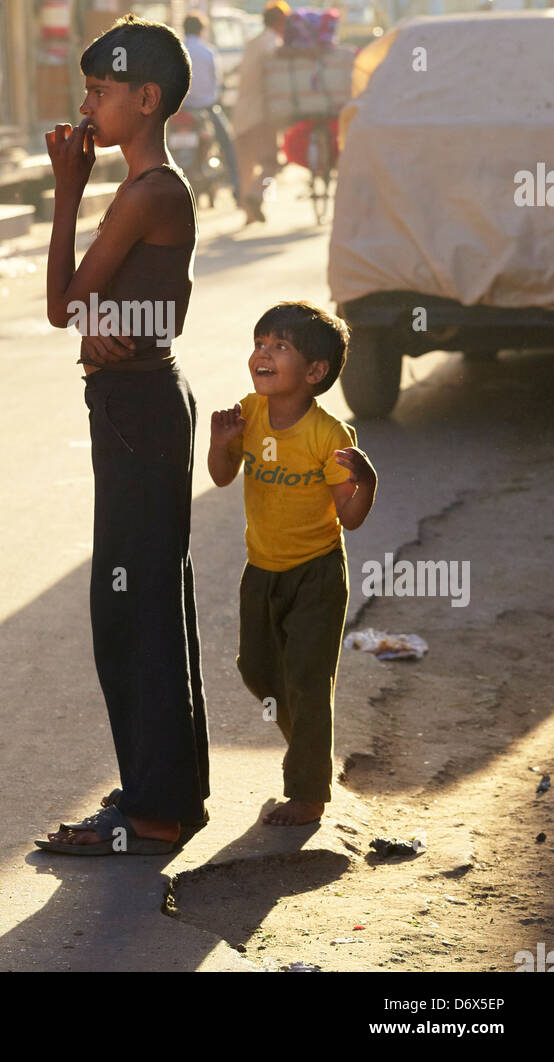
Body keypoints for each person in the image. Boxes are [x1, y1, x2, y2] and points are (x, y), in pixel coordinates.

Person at [36, 13, 210, 855]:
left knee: (131, 609)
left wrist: (66, 185)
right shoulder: (148, 190)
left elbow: (59, 301)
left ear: (147, 99)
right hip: (137, 407)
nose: (87, 107)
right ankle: (169, 796)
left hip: (139, 412)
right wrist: (104, 315)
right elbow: (127, 304)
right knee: (149, 603)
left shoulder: (149, 191)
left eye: (101, 91)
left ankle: (151, 809)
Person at [208, 301, 377, 826]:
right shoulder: (249, 412)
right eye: (260, 343)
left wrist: (367, 483)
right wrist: (220, 444)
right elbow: (221, 476)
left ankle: (308, 793)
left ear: (314, 372)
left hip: (316, 575)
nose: (263, 353)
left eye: (279, 346)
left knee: (306, 676)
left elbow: (350, 517)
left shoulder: (330, 437)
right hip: (261, 569)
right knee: (256, 669)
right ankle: (308, 747)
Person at [232, 0, 289, 224]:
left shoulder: (253, 42)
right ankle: (256, 197)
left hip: (241, 115)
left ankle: (248, 213)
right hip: (261, 115)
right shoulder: (271, 43)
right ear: (279, 22)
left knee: (246, 165)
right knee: (270, 163)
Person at [180, 12, 241, 205]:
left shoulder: (177, 50)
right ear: (202, 30)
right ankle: (237, 190)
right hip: (206, 108)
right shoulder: (208, 52)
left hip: (180, 109)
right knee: (228, 145)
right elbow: (216, 82)